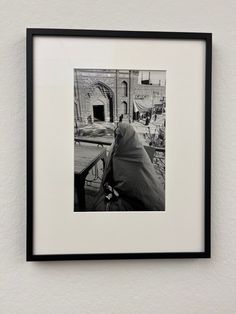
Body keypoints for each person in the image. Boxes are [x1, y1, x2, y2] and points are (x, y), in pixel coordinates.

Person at [92, 123, 165, 211]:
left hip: (142, 201)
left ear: (128, 137)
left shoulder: (138, 155)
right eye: (116, 137)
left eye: (120, 137)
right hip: (122, 193)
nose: (117, 140)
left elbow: (134, 183)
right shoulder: (118, 152)